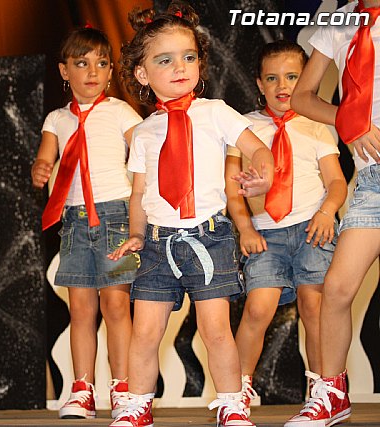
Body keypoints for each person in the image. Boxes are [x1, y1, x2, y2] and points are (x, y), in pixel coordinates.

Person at [110, 2, 275, 426]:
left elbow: (257, 147)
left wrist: (263, 174)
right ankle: (137, 405)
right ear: (142, 74)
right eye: (164, 60)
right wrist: (135, 234)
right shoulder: (143, 132)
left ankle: (232, 404)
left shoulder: (215, 111)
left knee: (215, 329)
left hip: (209, 237)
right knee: (145, 331)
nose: (180, 67)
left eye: (188, 56)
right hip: (157, 243)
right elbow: (139, 192)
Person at [226, 40, 347, 419]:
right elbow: (232, 187)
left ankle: (322, 390)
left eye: (293, 77)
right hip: (267, 235)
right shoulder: (243, 127)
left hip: (313, 229)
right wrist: (245, 228)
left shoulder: (316, 124)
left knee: (315, 307)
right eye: (272, 78)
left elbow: (337, 182)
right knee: (257, 309)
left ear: (307, 79)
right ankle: (236, 392)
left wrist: (327, 212)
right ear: (258, 83)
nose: (283, 85)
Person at [32, 26, 142, 420]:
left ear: (111, 70)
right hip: (75, 221)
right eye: (82, 63)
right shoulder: (57, 119)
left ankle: (124, 387)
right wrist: (41, 167)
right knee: (80, 309)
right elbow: (45, 156)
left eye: (101, 63)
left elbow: (145, 145)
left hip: (116, 216)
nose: (92, 72)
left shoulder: (120, 110)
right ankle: (82, 389)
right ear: (65, 71)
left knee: (116, 306)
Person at [286, 1, 380, 425]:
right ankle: (332, 394)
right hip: (371, 181)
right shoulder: (339, 22)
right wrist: (352, 121)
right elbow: (302, 97)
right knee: (337, 289)